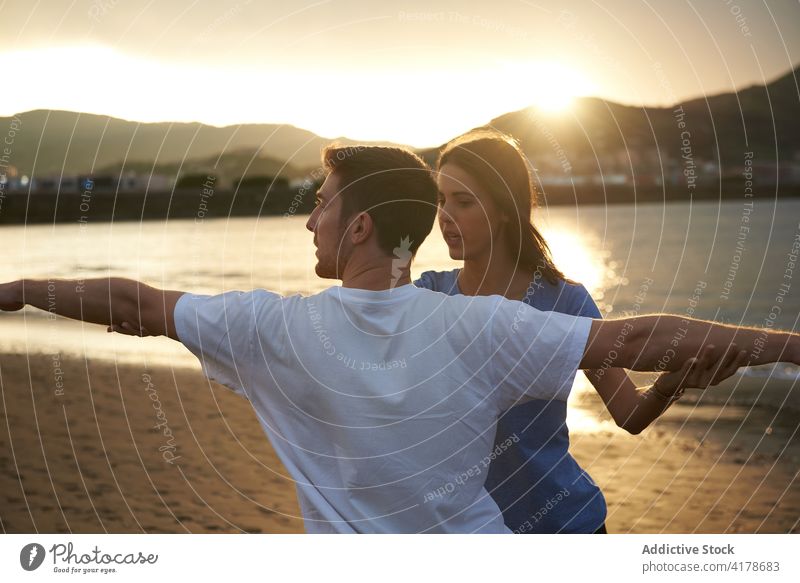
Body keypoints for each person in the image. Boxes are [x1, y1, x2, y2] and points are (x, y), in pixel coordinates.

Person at [1, 145, 796, 533]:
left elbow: (137, 302)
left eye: (319, 203)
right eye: (441, 202)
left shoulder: (538, 305)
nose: (305, 217)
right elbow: (643, 334)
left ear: (356, 226)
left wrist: (22, 290)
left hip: (558, 523)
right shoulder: (452, 307)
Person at [415, 129, 733, 533]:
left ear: (504, 209)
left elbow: (629, 414)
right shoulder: (429, 296)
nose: (445, 215)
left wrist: (671, 384)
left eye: (463, 202)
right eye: (441, 200)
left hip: (567, 526)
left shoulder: (565, 300)